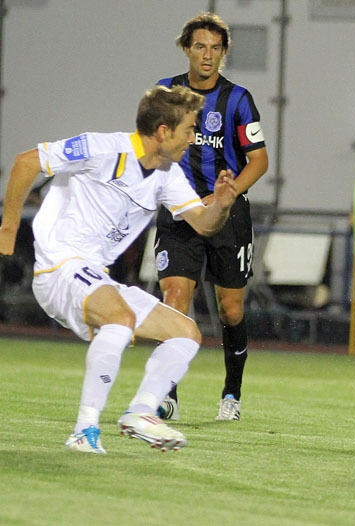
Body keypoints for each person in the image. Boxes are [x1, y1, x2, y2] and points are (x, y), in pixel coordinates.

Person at [0, 85, 238, 453]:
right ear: (163, 131)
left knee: (186, 333)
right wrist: (8, 231)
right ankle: (84, 430)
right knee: (120, 318)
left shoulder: (168, 173)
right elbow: (26, 162)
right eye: (189, 129)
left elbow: (203, 223)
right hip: (60, 266)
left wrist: (221, 205)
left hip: (94, 274)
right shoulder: (102, 148)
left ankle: (141, 412)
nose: (194, 138)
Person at [154, 13, 269, 422]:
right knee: (174, 300)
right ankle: (167, 394)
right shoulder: (166, 93)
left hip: (228, 215)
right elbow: (151, 147)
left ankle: (231, 393)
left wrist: (226, 195)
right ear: (186, 48)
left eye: (216, 48)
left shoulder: (238, 100)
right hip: (179, 214)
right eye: (200, 46)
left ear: (223, 53)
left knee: (231, 310)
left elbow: (259, 161)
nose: (208, 55)